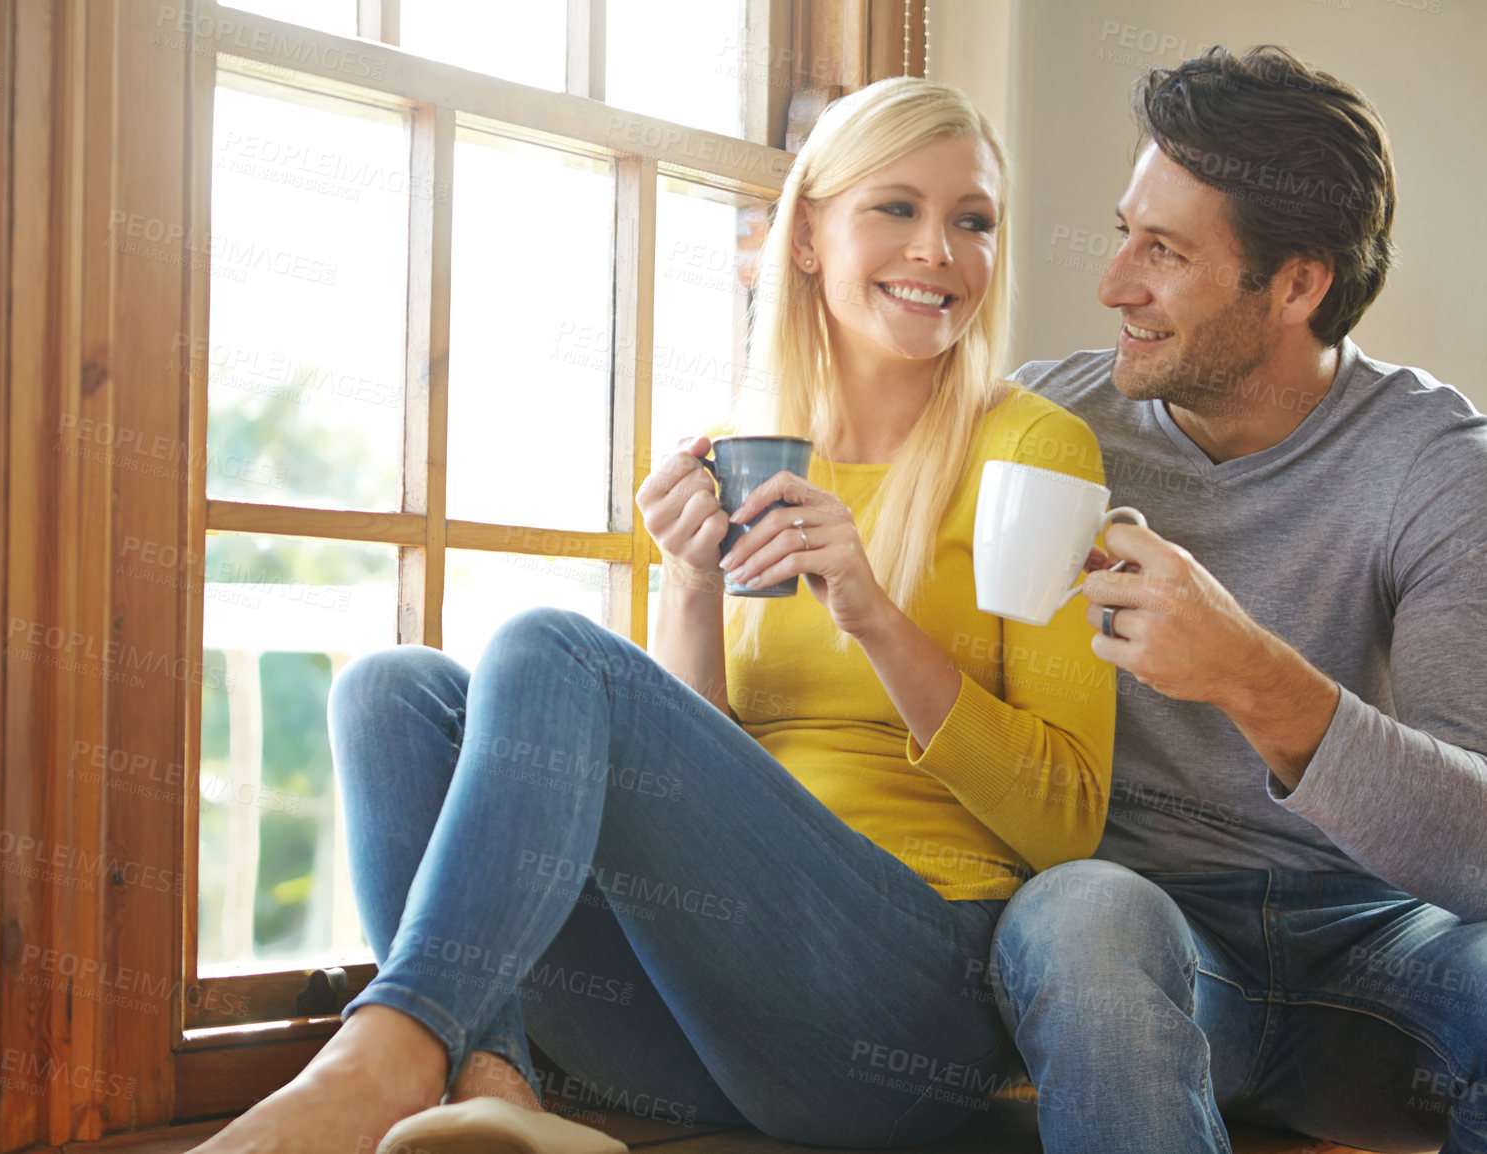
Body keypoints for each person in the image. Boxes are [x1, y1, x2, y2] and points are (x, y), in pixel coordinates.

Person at [191, 77, 1117, 1154]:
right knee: (388, 690)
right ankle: (494, 1086)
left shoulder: (1033, 448)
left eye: (972, 221)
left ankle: (388, 1053)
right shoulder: (743, 441)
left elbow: (1067, 820)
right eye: (896, 208)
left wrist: (871, 612)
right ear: (808, 235)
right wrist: (689, 583)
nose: (938, 251)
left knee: (549, 646)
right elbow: (690, 786)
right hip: (712, 1026)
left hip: (904, 1012)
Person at [989, 45, 1487, 1154]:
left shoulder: (1437, 464)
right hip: (1138, 932)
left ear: (1297, 283)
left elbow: (1479, 855)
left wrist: (1249, 674)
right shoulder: (1042, 429)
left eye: (1162, 251)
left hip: (1368, 940)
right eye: (1124, 232)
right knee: (1084, 911)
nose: (1114, 281)